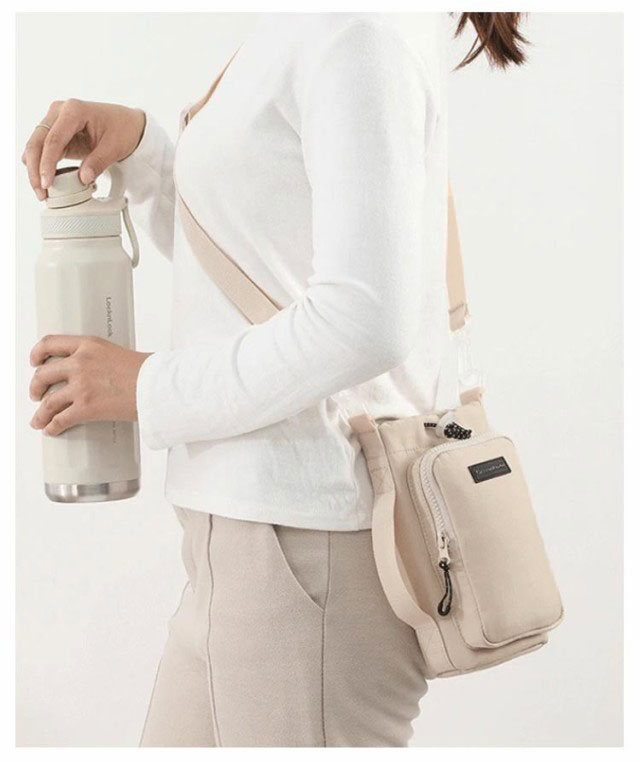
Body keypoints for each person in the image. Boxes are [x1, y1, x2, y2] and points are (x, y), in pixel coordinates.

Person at [23, 12, 527, 748]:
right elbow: (263, 262)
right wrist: (148, 152)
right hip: (246, 552)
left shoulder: (357, 32)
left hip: (309, 561)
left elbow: (367, 318)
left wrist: (147, 387)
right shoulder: (316, 24)